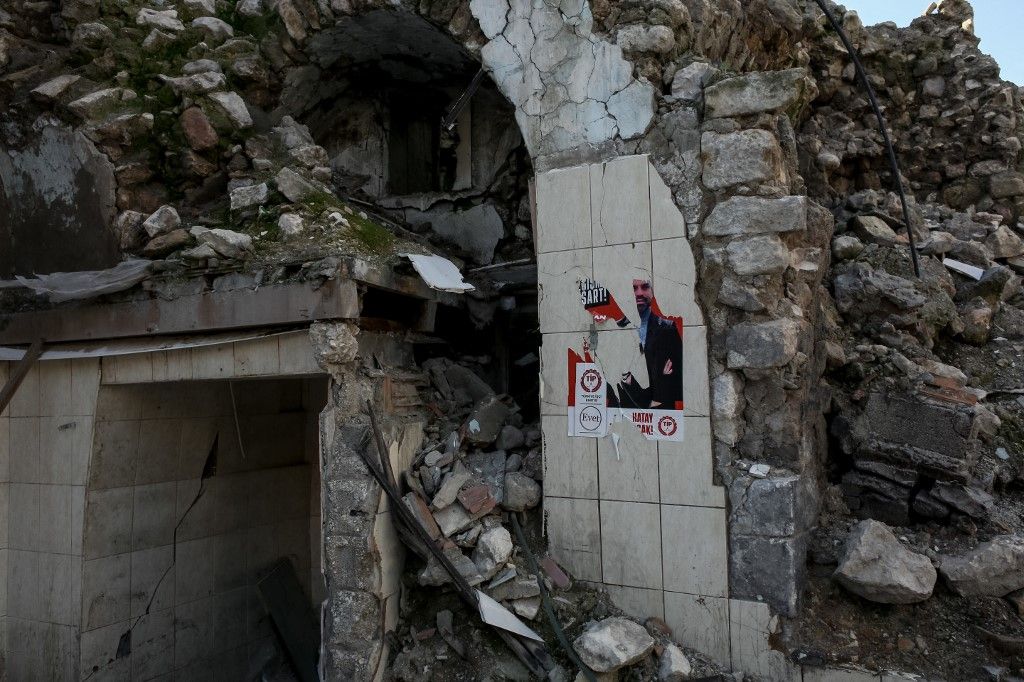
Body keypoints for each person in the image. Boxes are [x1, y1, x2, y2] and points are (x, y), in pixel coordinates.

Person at [615, 279, 683, 409]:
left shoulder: (667, 328)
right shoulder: (619, 325)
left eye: (645, 287)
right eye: (634, 288)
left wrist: (657, 398)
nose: (639, 293)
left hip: (661, 411)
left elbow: (674, 379)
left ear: (652, 291)